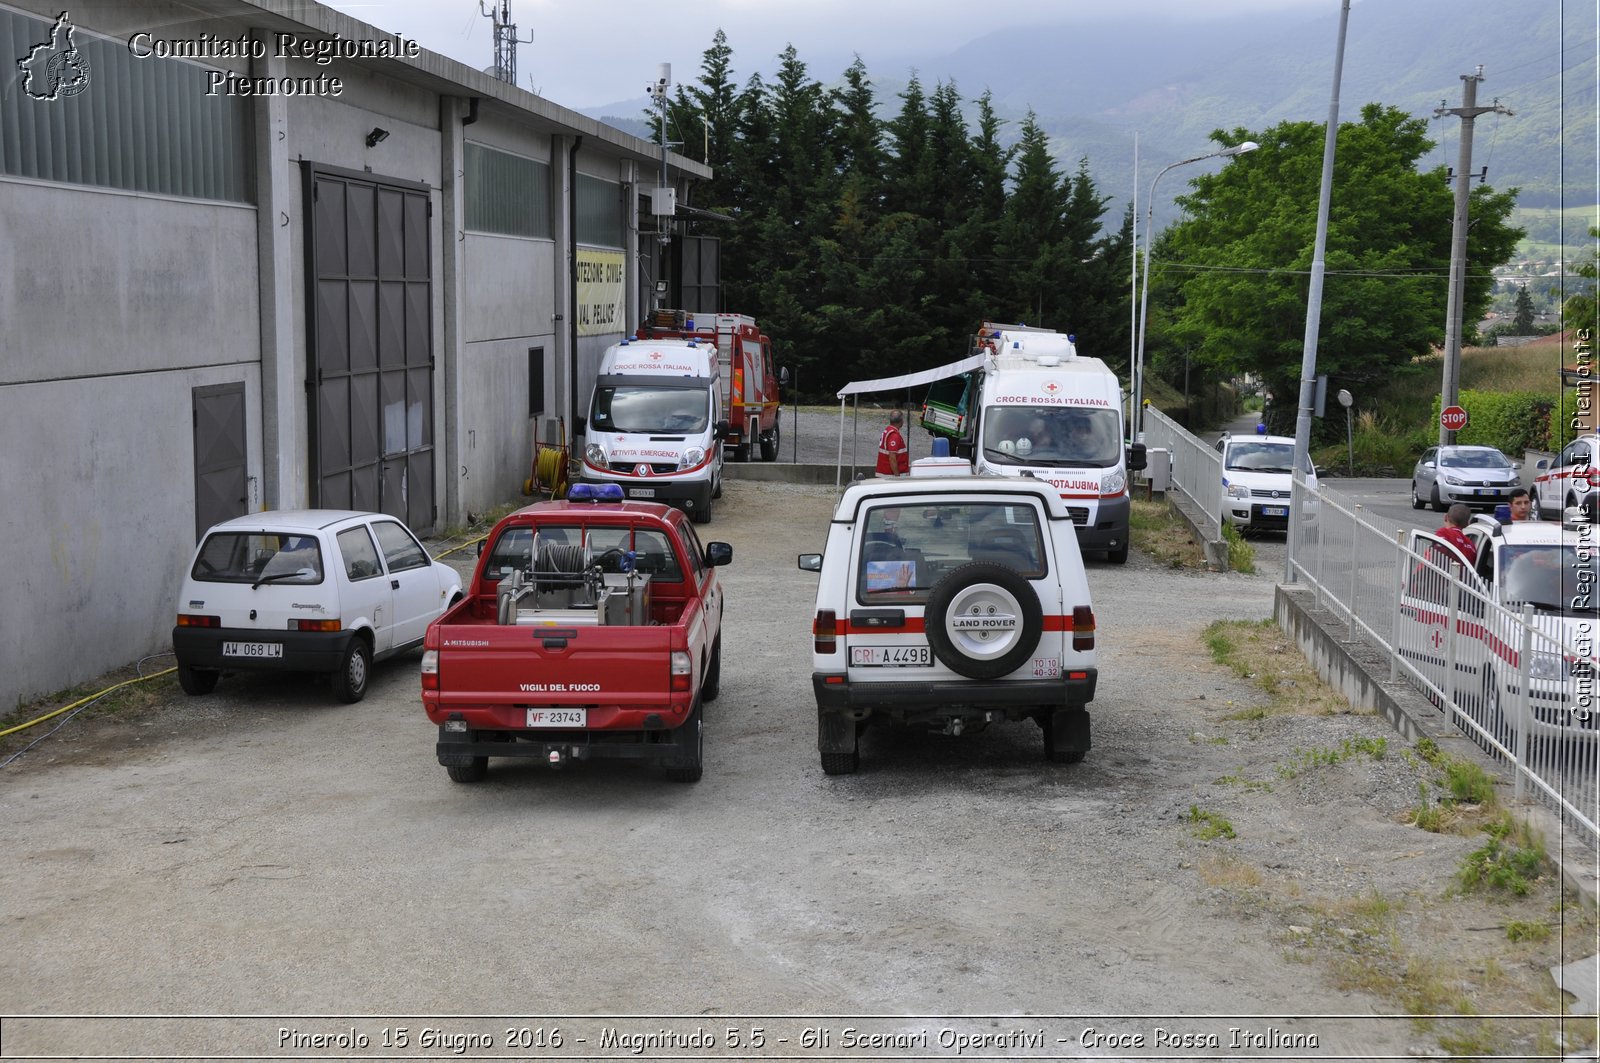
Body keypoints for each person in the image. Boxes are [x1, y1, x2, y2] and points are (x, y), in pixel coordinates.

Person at [876, 409, 909, 476]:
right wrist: (897, 476)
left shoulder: (888, 430)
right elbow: (892, 458)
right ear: (901, 421)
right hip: (889, 475)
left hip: (885, 473)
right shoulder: (894, 435)